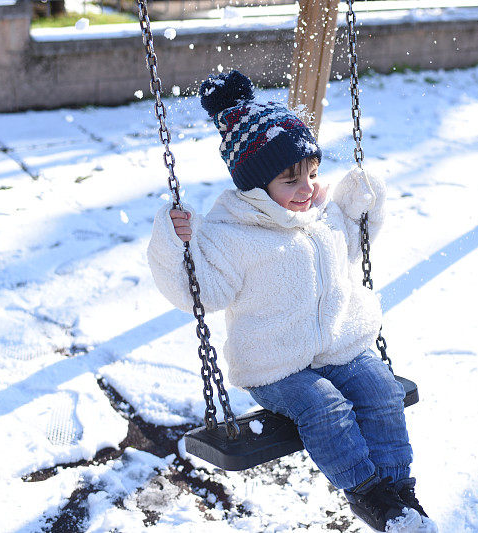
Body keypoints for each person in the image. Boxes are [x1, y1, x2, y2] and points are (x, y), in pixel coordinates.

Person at [147, 70, 437, 533]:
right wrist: (174, 243)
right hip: (276, 367)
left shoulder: (322, 217)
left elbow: (352, 245)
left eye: (312, 174)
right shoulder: (230, 237)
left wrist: (362, 204)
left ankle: (399, 492)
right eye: (290, 179)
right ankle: (367, 494)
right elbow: (196, 292)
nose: (307, 188)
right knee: (327, 408)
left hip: (337, 348)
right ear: (257, 186)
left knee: (382, 389)